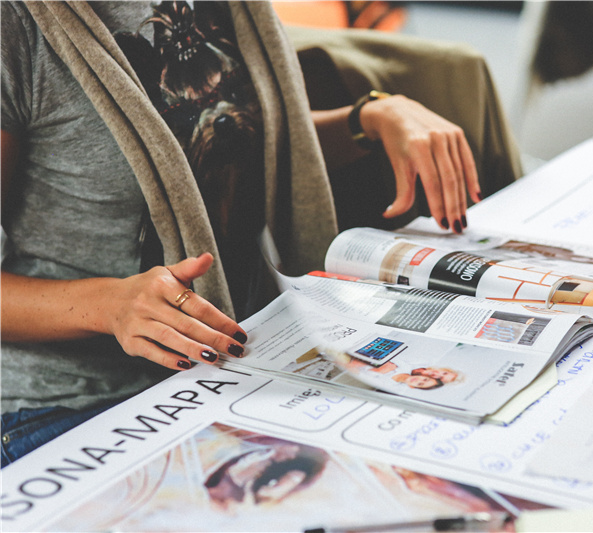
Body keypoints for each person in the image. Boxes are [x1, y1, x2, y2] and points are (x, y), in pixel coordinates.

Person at [0, 0, 499, 466]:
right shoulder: (17, 23)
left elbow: (232, 145)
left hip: (240, 360)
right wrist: (110, 304)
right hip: (70, 404)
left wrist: (367, 119)